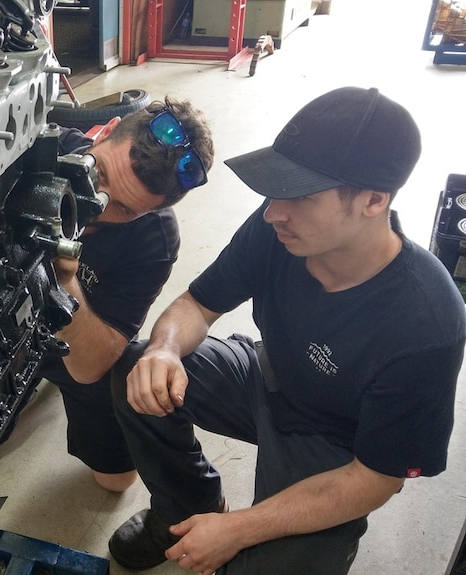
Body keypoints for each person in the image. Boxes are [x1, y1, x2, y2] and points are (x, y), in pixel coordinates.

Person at [106, 86, 466, 574]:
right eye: (275, 189)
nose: (274, 211)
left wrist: (242, 529)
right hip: (268, 377)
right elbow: (196, 304)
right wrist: (164, 351)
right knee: (137, 367)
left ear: (373, 200)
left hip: (339, 450)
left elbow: (377, 477)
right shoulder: (279, 226)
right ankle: (185, 511)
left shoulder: (426, 323)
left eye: (299, 195)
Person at [32, 96, 215, 493]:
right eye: (101, 178)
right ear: (105, 131)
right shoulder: (38, 150)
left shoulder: (155, 240)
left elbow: (89, 367)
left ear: (150, 212)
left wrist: (63, 279)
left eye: (124, 209)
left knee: (115, 480)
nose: (97, 207)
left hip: (74, 342)